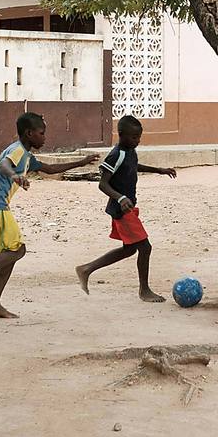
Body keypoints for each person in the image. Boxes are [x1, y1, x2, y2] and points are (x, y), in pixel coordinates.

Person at [0, 112, 99, 317]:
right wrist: (15, 176)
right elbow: (5, 164)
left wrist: (81, 163)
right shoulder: (17, 151)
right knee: (18, 251)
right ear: (29, 133)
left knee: (9, 255)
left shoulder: (27, 156)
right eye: (41, 133)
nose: (44, 137)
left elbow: (49, 168)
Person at [75, 115, 175, 303]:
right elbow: (103, 184)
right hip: (122, 209)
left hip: (128, 206)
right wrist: (120, 198)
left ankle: (86, 269)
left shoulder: (129, 151)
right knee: (145, 248)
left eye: (139, 137)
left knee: (129, 249)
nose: (137, 141)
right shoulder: (116, 154)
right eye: (133, 137)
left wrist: (159, 170)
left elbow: (134, 166)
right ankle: (144, 290)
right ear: (121, 135)